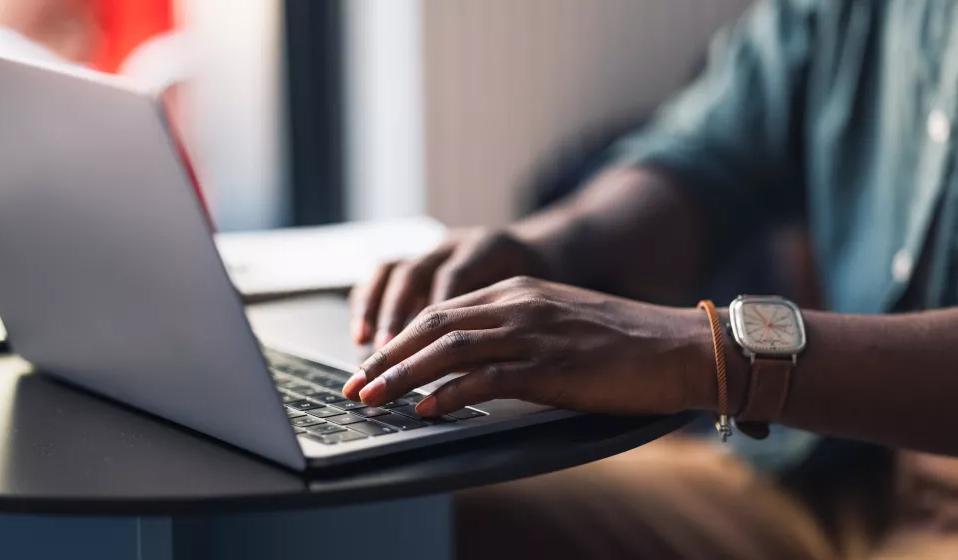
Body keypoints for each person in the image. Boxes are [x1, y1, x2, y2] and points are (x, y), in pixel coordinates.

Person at [342, 0, 958, 558]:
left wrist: (704, 352)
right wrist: (550, 246)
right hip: (829, 472)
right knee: (411, 515)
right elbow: (711, 153)